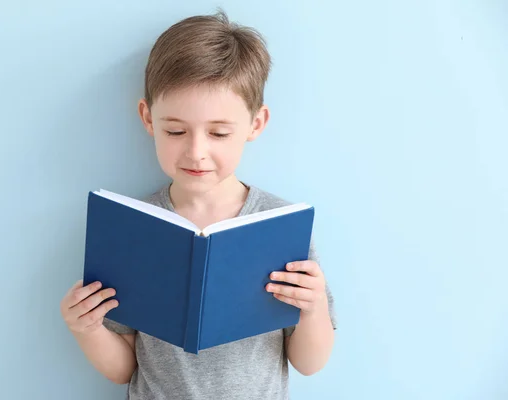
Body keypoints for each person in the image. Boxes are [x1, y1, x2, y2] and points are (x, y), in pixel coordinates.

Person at [60, 10, 336, 400]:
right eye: (176, 130)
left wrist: (313, 309)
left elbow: (309, 362)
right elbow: (125, 369)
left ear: (256, 124)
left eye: (219, 133)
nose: (196, 152)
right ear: (148, 118)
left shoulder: (281, 227)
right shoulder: (134, 228)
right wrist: (87, 329)